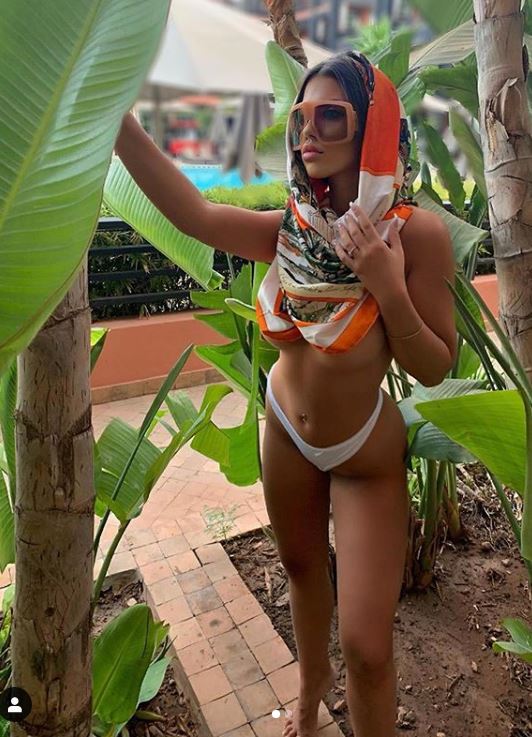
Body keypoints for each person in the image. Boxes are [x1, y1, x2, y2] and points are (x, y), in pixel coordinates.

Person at [114, 50, 457, 737]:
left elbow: (434, 367)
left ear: (374, 129)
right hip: (286, 432)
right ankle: (308, 693)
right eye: (301, 117)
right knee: (302, 570)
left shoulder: (414, 235)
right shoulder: (292, 228)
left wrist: (386, 287)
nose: (308, 133)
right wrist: (116, 121)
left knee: (367, 646)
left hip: (363, 454)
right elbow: (194, 215)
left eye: (332, 116)